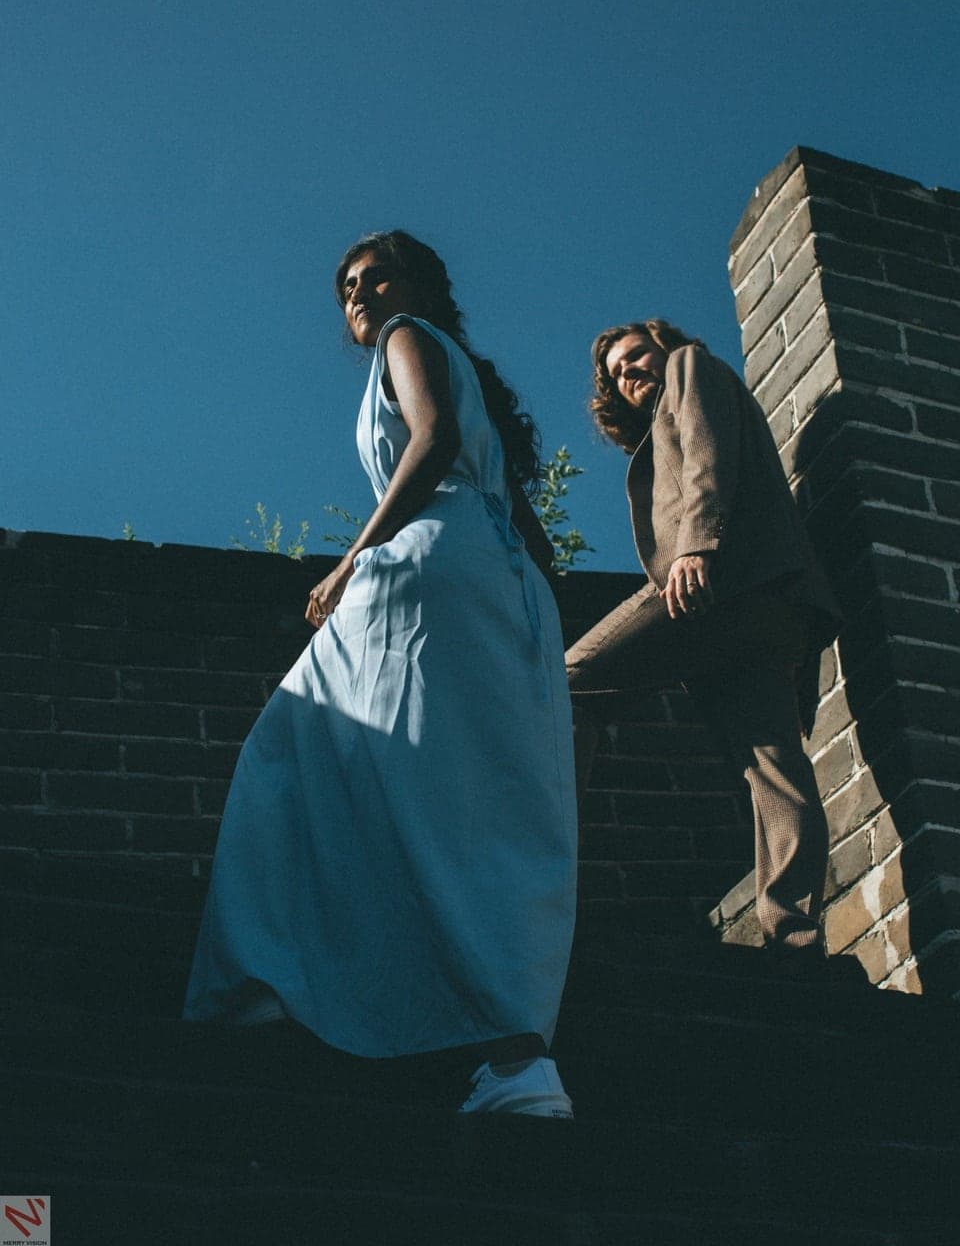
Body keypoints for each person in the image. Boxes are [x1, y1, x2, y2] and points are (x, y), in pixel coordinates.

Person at [184, 231, 577, 1117]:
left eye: (377, 276)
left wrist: (350, 560)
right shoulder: (462, 371)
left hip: (426, 569)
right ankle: (515, 1057)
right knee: (463, 804)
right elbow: (524, 525)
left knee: (289, 752)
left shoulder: (408, 336)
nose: (359, 294)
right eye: (346, 286)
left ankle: (266, 985)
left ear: (418, 287)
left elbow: (430, 441)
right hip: (496, 582)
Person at [565, 319, 841, 968]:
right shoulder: (665, 409)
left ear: (663, 346)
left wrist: (696, 545)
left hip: (720, 586)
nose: (630, 373)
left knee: (566, 685)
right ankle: (795, 945)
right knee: (773, 769)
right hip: (765, 607)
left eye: (637, 356)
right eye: (617, 373)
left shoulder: (689, 366)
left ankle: (542, 883)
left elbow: (708, 453)